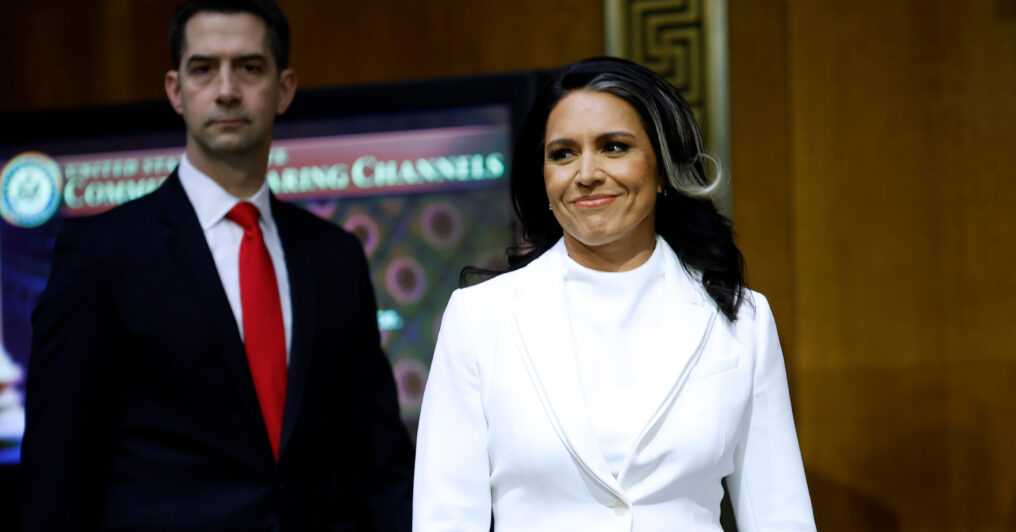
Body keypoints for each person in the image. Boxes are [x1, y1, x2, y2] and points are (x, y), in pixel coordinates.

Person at [21, 1, 413, 529]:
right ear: (175, 91)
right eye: (203, 69)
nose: (226, 90)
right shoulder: (100, 254)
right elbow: (55, 469)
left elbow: (378, 459)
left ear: (285, 88)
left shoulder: (335, 256)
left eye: (249, 68)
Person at [413, 57, 815, 531]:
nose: (586, 173)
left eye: (614, 147)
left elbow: (779, 515)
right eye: (563, 153)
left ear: (662, 169)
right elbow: (446, 518)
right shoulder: (479, 318)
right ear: (543, 177)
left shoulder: (743, 319)